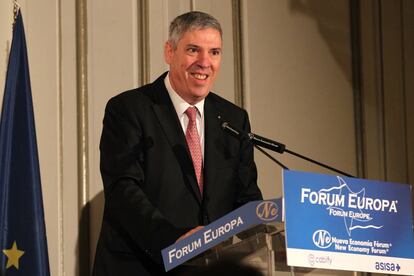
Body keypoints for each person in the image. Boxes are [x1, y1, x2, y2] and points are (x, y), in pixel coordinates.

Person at [92, 11, 262, 276]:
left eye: (214, 52)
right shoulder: (129, 109)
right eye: (193, 50)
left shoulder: (233, 119)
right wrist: (175, 242)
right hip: (142, 266)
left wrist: (268, 229)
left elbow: (246, 196)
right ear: (169, 52)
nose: (205, 63)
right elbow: (123, 190)